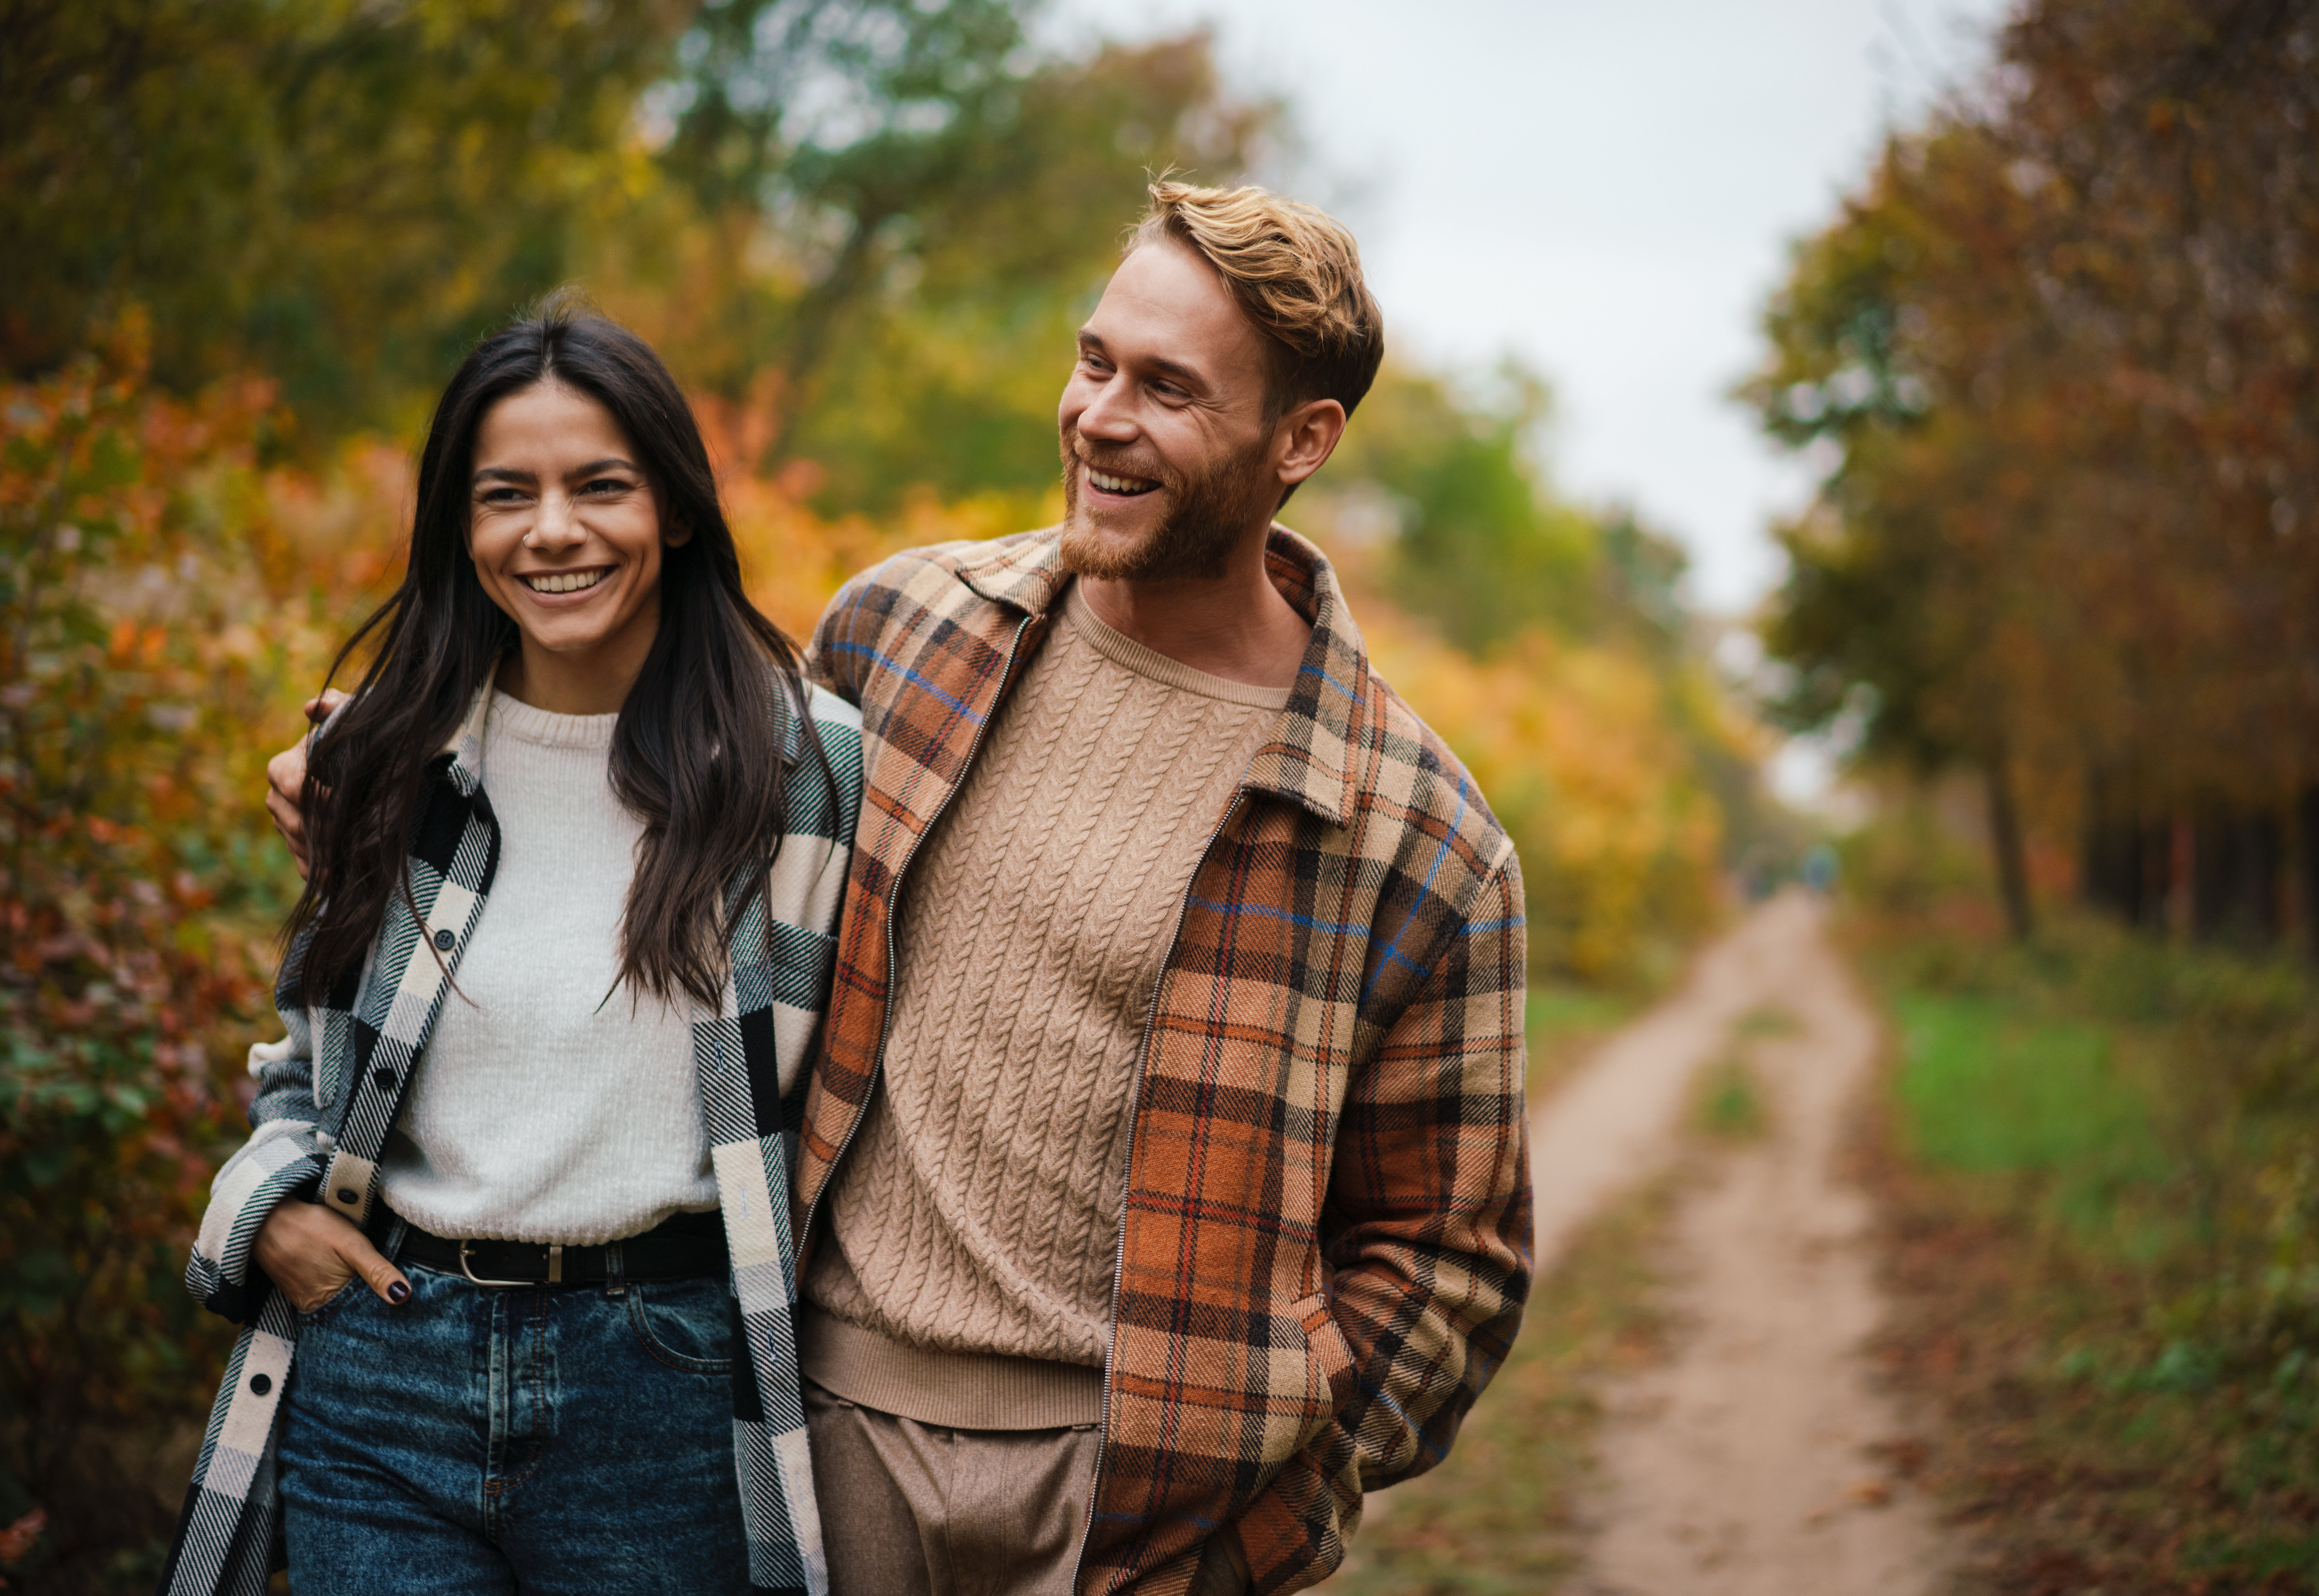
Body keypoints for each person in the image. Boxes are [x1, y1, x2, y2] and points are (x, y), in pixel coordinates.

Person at [270, 180, 1532, 1596]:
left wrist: (1263, 1491)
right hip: (819, 1443)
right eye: (1095, 360)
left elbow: (1446, 1257)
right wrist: (375, 759)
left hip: (1129, 1505)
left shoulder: (1415, 834)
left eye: (1168, 390)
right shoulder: (904, 634)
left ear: (1301, 439)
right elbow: (633, 781)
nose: (1100, 417)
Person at [164, 305, 862, 1595]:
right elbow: (305, 1064)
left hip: (663, 1387)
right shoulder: (391, 763)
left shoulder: (800, 770)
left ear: (677, 510)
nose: (552, 531)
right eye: (506, 496)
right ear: (458, 527)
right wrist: (266, 1219)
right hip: (382, 1372)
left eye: (600, 485)